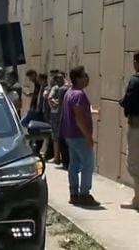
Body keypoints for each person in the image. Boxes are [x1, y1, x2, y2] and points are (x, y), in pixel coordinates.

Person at [60, 65, 100, 206]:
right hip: (79, 136)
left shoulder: (69, 92)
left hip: (70, 135)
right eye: (84, 75)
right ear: (78, 79)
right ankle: (84, 194)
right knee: (88, 165)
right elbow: (79, 118)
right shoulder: (78, 95)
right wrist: (88, 136)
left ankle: (74, 193)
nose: (87, 77)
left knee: (74, 165)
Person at [119, 49, 139, 210]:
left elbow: (127, 101)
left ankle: (137, 200)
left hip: (137, 127)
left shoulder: (135, 80)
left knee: (134, 163)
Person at [48, 73, 65, 165]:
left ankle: (57, 158)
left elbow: (49, 98)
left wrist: (54, 106)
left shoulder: (55, 88)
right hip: (64, 114)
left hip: (55, 114)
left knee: (56, 136)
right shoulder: (67, 87)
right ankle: (59, 158)